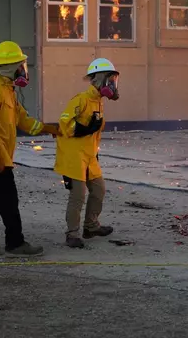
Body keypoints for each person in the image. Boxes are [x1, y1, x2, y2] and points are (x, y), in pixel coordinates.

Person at [0, 41, 61, 256]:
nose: (24, 71)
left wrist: (47, 128)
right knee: (7, 200)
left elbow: (22, 120)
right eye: (21, 66)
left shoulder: (7, 89)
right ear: (11, 66)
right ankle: (15, 243)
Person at [54, 58, 119, 248]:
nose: (113, 84)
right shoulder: (80, 99)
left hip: (89, 156)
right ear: (100, 79)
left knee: (98, 190)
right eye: (110, 79)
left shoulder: (98, 102)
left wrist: (94, 151)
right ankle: (72, 234)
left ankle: (91, 226)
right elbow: (64, 123)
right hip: (73, 155)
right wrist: (82, 129)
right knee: (78, 195)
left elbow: (95, 133)